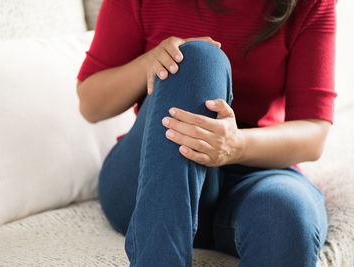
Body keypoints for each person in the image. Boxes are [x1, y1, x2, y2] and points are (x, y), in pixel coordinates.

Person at [76, 0, 336, 266]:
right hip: (151, 172)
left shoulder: (311, 4)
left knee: (288, 214)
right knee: (197, 59)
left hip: (254, 171)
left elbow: (313, 134)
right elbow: (90, 104)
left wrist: (235, 145)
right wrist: (150, 62)